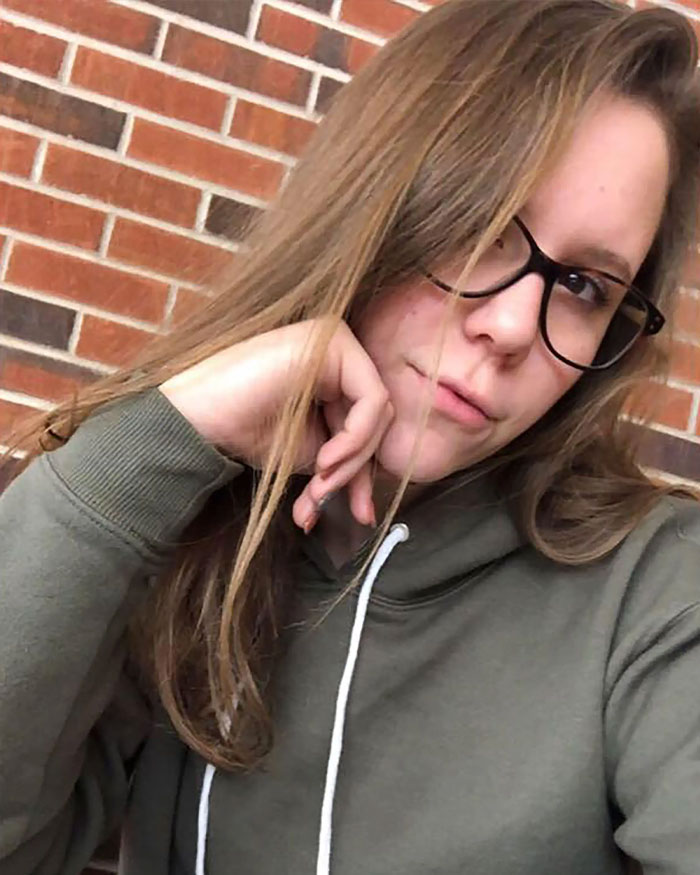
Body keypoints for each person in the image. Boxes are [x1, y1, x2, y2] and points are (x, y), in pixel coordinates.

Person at [1, 0, 700, 872]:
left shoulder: (659, 591)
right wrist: (144, 454)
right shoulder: (188, 536)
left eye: (587, 287)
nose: (515, 326)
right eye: (486, 226)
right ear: (378, 200)